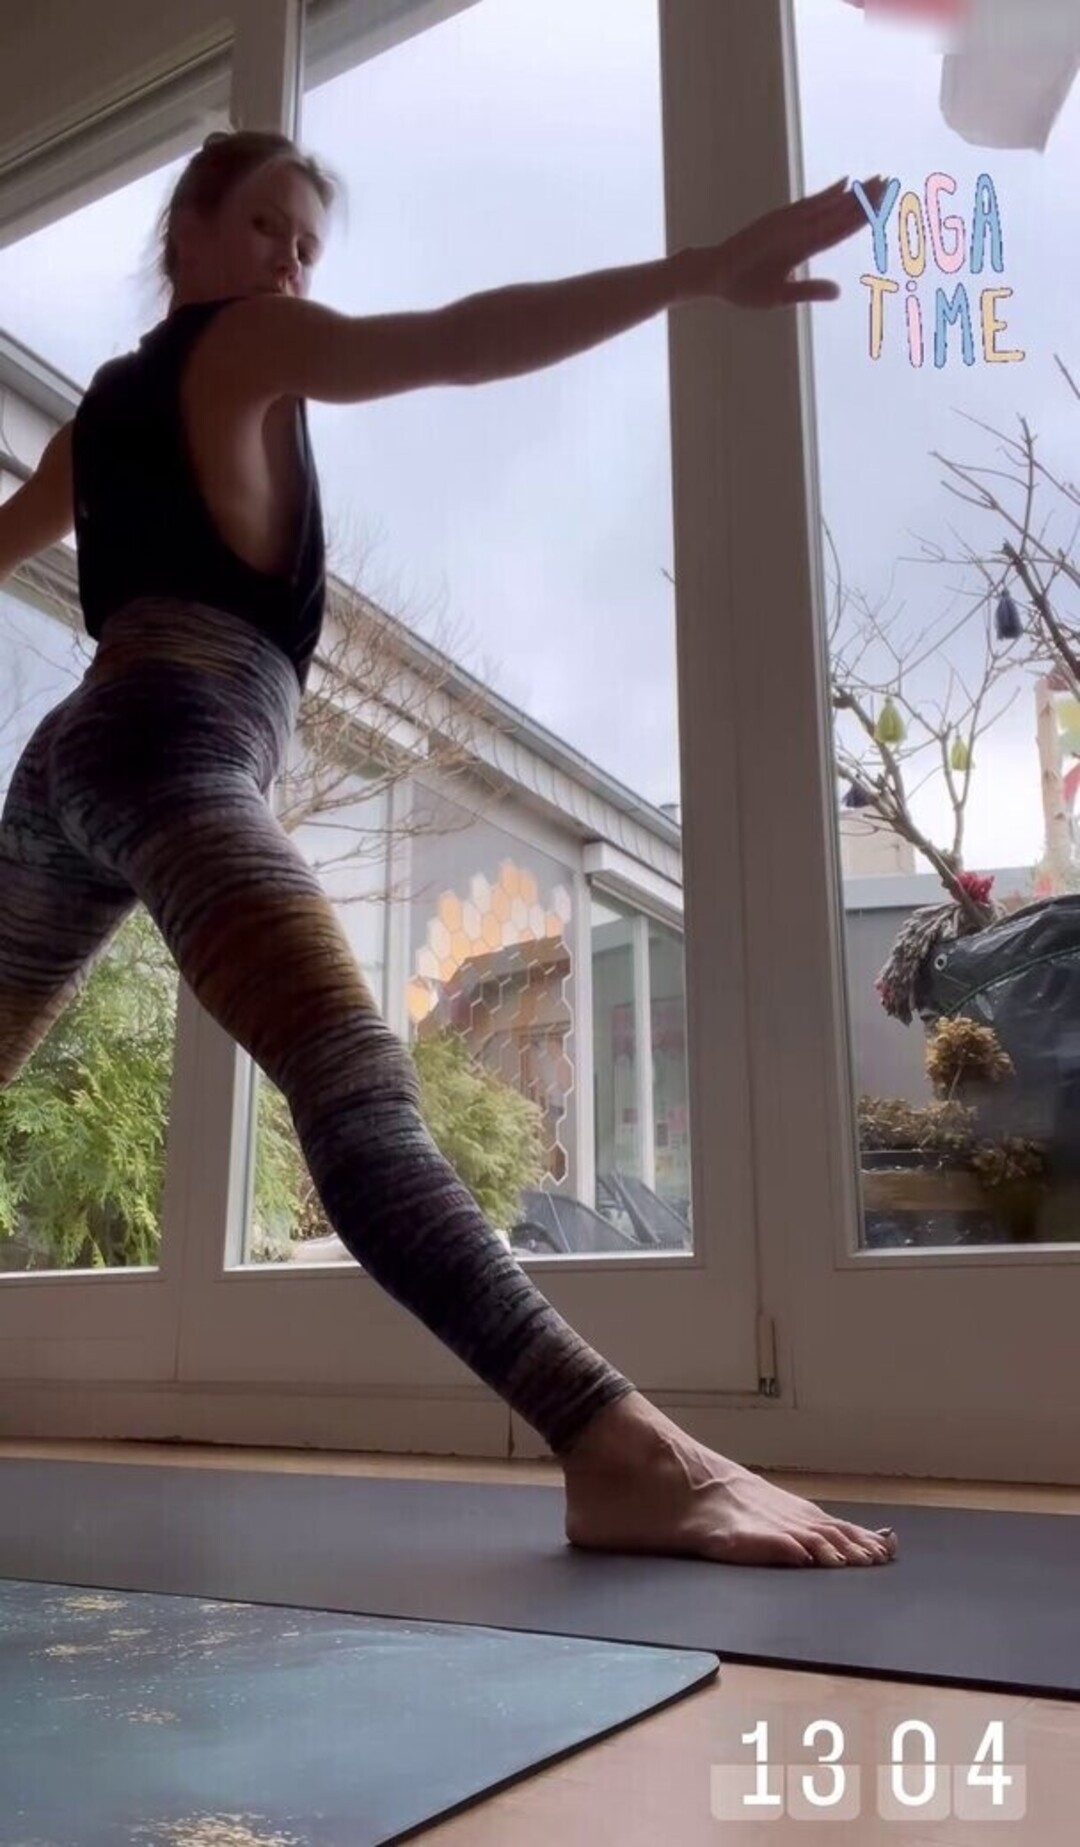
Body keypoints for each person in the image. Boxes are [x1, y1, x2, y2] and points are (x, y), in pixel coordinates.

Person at [0, 130, 897, 1570]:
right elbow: (458, 340)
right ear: (188, 237)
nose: (291, 265)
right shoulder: (246, 345)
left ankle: (616, 1448)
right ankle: (620, 1450)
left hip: (77, 758)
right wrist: (700, 270)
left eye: (309, 245)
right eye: (268, 227)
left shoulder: (102, 414)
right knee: (354, 1082)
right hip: (167, 743)